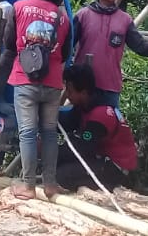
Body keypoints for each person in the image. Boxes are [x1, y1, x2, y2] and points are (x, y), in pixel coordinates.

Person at [3, 0, 71, 200]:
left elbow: (9, 42)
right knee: (50, 133)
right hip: (52, 82)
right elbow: (65, 53)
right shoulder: (63, 18)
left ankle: (29, 186)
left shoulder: (19, 7)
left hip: (24, 80)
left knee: (28, 133)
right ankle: (50, 184)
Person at [57, 62, 137, 192]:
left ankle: (106, 187)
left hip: (116, 167)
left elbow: (82, 147)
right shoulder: (84, 106)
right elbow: (66, 123)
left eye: (70, 91)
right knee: (59, 164)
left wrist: (47, 150)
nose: (67, 95)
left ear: (83, 92)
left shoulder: (100, 116)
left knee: (62, 175)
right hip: (101, 159)